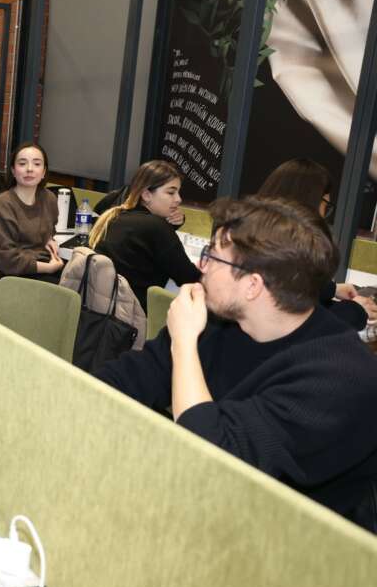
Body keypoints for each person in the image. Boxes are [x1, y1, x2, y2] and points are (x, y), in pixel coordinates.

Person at [96, 197, 377, 531]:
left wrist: (184, 342)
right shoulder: (219, 320)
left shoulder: (339, 376)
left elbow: (214, 459)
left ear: (252, 285)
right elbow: (132, 377)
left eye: (211, 256)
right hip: (205, 511)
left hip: (293, 543)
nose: (200, 266)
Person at [257, 157, 377, 326]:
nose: (323, 216)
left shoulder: (256, 235)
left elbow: (296, 288)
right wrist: (356, 311)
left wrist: (332, 289)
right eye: (325, 206)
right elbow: (302, 321)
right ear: (309, 201)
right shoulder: (285, 250)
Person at [88, 160, 201, 310]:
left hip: (104, 310)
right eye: (171, 192)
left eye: (178, 193)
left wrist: (170, 226)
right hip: (136, 315)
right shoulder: (156, 227)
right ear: (147, 195)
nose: (178, 199)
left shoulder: (115, 217)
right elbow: (189, 277)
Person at [0, 142, 62, 281]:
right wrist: (49, 268)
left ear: (44, 172)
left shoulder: (49, 198)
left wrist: (49, 239)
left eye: (37, 164)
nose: (29, 169)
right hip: (14, 276)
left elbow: (50, 228)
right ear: (13, 170)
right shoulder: (1, 205)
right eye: (22, 163)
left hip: (43, 262)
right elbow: (8, 261)